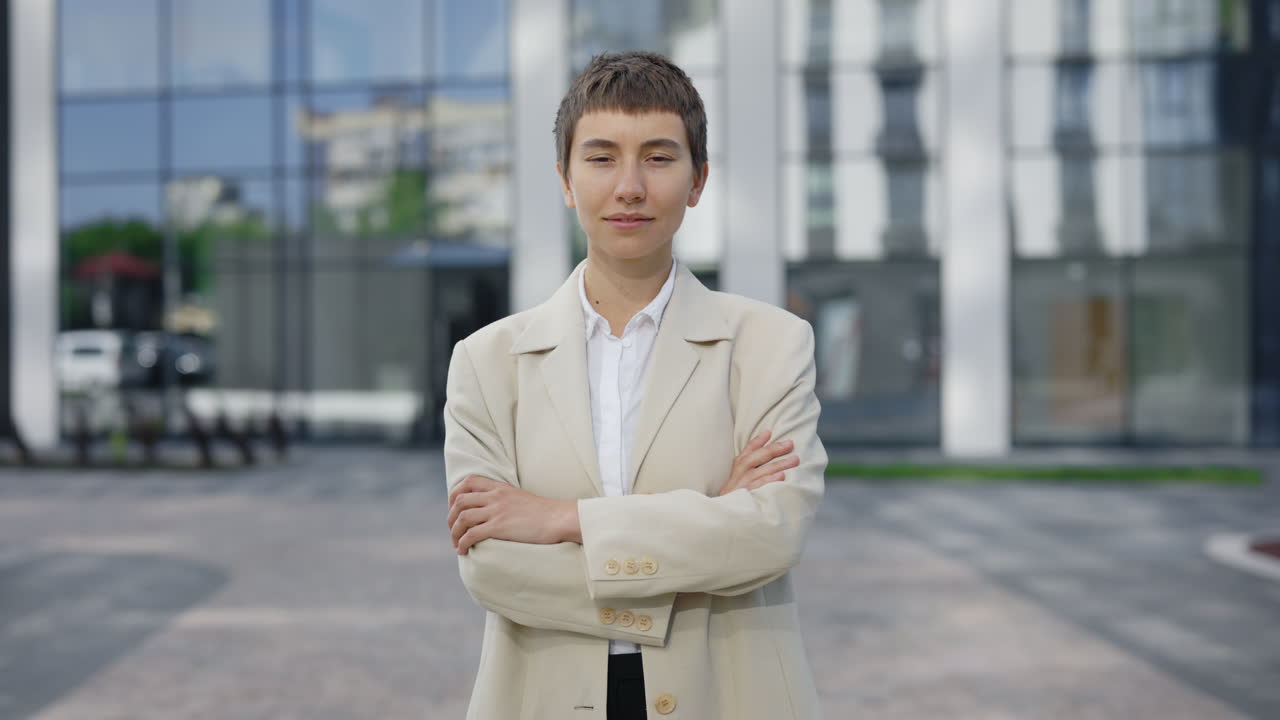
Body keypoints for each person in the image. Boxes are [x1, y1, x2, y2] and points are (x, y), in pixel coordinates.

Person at [444, 51, 827, 720]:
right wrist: (711, 526)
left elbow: (773, 533)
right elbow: (493, 568)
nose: (629, 187)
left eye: (658, 157)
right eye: (601, 158)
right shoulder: (487, 361)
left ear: (697, 180)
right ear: (565, 179)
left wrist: (561, 519)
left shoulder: (771, 345)